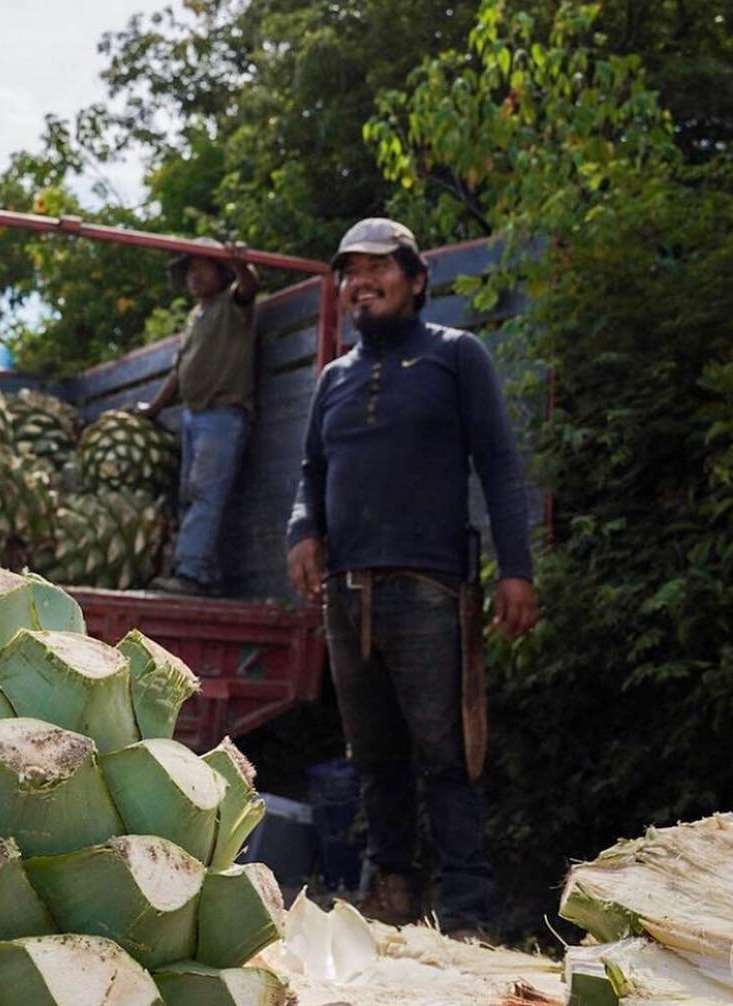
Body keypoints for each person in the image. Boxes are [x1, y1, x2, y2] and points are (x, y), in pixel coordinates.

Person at [286, 219, 537, 930]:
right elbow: (311, 472)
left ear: (417, 278)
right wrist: (303, 529)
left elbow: (499, 463)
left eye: (377, 267)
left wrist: (515, 569)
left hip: (432, 589)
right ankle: (391, 893)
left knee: (448, 754)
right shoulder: (334, 376)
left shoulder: (457, 356)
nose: (360, 281)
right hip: (347, 594)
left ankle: (465, 911)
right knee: (373, 755)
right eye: (349, 271)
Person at [142, 239, 258, 596]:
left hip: (222, 414)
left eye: (203, 267)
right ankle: (204, 573)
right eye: (190, 269)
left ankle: (191, 574)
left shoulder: (232, 306)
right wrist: (154, 409)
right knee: (191, 495)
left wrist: (240, 262)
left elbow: (249, 286)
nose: (195, 276)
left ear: (221, 273)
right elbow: (179, 372)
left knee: (205, 492)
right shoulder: (195, 317)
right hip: (194, 416)